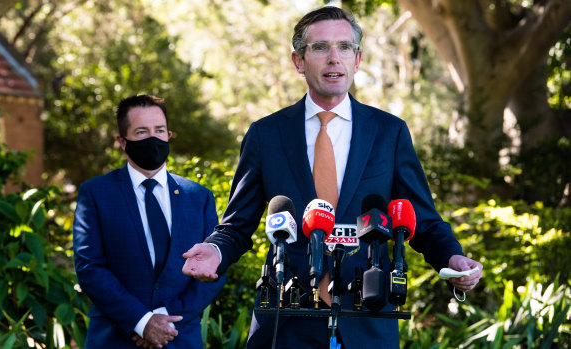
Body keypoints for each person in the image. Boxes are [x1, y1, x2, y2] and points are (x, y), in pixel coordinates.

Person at [183, 6, 483, 348]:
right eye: (320, 47)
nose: (333, 58)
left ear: (357, 60)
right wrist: (215, 250)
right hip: (287, 318)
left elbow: (421, 221)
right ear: (299, 61)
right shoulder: (266, 135)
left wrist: (452, 258)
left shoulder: (389, 132)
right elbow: (237, 224)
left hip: (367, 317)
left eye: (344, 47)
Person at [73, 94, 225, 348]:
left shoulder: (199, 197)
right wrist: (142, 322)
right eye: (142, 132)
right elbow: (90, 268)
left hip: (180, 338)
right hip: (115, 339)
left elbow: (215, 267)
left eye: (160, 130)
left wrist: (166, 320)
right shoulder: (95, 194)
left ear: (169, 135)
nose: (153, 138)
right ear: (122, 141)